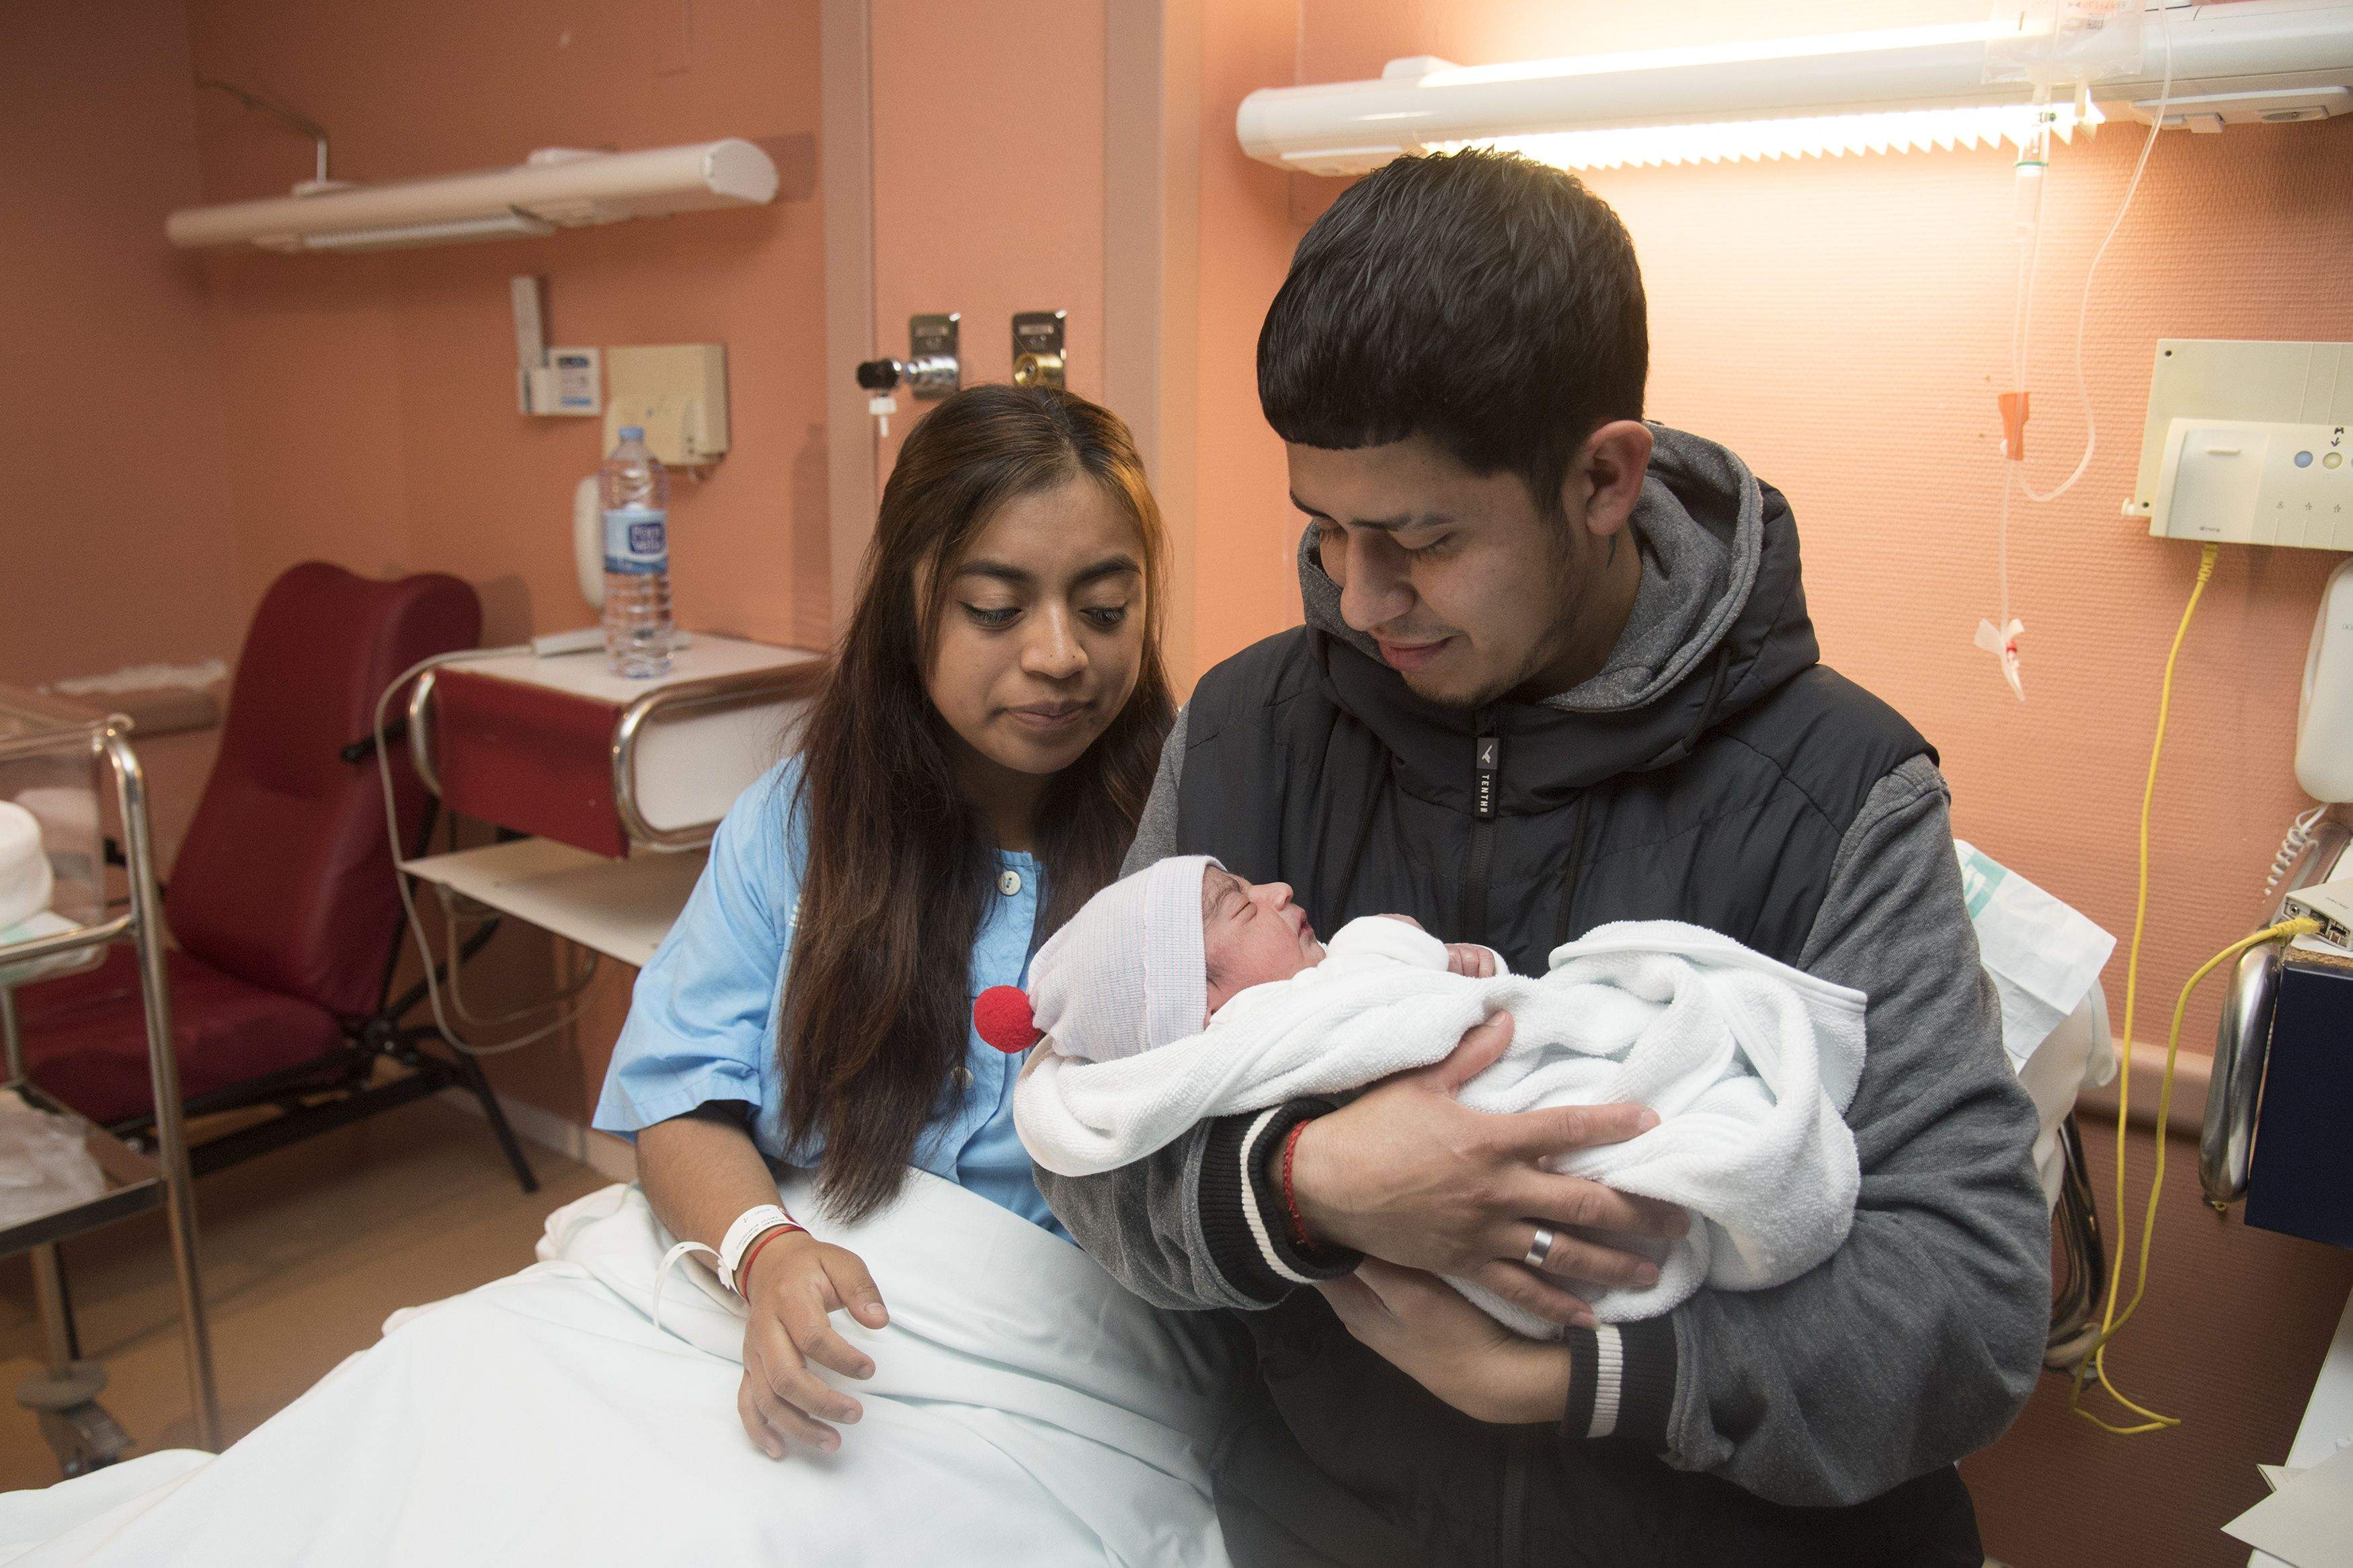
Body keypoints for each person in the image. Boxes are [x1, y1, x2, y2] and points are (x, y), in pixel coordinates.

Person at [1037, 150, 2050, 1566]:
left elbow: (1971, 1305)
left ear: (1602, 478)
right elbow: (1086, 1145)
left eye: (1421, 539)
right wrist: (1305, 1183)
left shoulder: (1842, 791)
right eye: (1324, 529)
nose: (1359, 594)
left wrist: (1594, 1371)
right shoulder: (1245, 731)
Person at [594, 382, 1175, 1462]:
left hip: (1053, 1368)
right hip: (786, 1298)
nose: (1060, 654)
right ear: (911, 601)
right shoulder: (795, 827)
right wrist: (763, 1248)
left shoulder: (1191, 849)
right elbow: (674, 1094)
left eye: (1105, 609)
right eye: (995, 609)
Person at [1008, 855, 1870, 1337]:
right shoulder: (1261, 1031)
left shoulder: (1299, 995)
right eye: (1239, 904)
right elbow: (1392, 1027)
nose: (1277, 890)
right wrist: (1306, 1176)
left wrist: (1447, 967)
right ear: (1196, 1005)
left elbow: (1433, 1003)